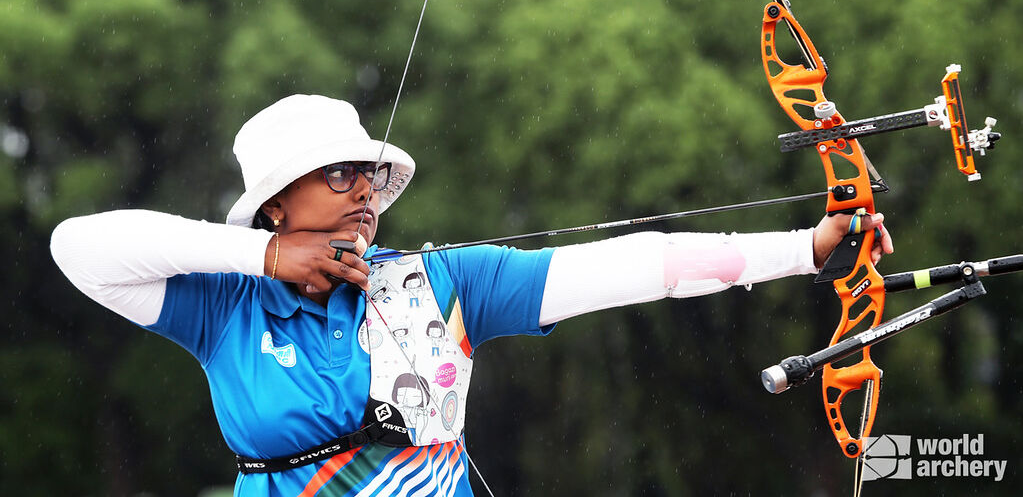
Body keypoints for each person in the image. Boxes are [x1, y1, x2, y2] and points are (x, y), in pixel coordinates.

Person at [50, 94, 892, 496]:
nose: (364, 192)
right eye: (338, 174)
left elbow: (642, 264)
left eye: (371, 176)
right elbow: (78, 247)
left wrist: (806, 248)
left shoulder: (445, 285)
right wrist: (265, 255)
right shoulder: (224, 305)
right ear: (278, 201)